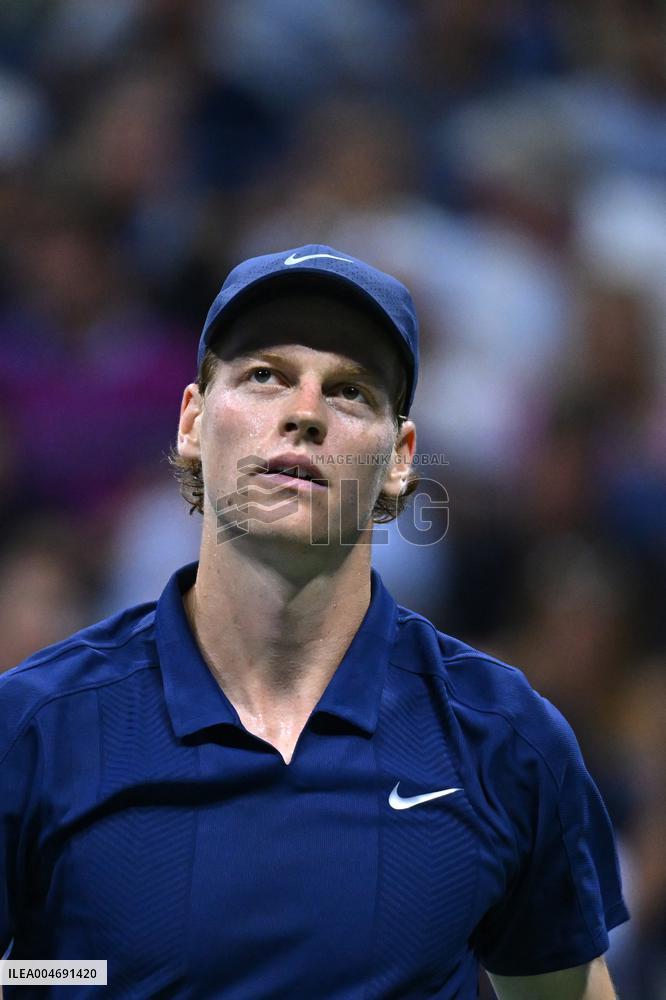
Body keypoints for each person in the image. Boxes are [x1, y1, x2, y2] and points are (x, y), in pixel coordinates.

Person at [0, 246, 628, 999]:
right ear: (193, 421)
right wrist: (63, 979)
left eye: (349, 391)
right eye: (265, 376)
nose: (304, 413)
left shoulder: (507, 740)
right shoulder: (31, 728)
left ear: (399, 460)